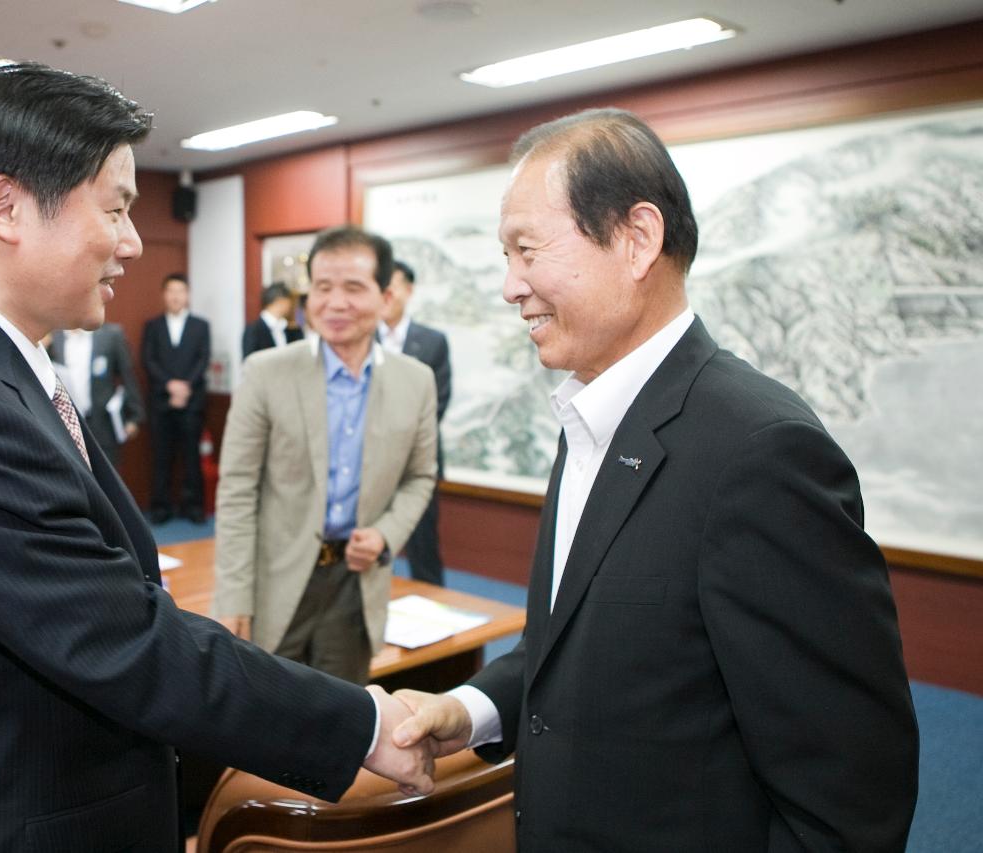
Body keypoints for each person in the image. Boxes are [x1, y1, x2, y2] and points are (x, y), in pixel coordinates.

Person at [0, 63, 432, 853]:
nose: (134, 243)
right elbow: (128, 642)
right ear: (5, 207)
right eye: (115, 209)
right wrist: (364, 724)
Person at [390, 109, 919, 851]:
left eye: (527, 249)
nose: (510, 286)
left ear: (638, 239)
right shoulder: (591, 416)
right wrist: (471, 709)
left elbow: (851, 793)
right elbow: (581, 648)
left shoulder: (762, 454)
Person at [214, 226, 438, 684]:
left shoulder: (416, 381)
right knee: (264, 722)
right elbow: (237, 489)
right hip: (276, 578)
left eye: (353, 288)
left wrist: (386, 534)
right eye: (322, 287)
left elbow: (421, 476)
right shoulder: (265, 373)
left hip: (355, 584)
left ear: (387, 295)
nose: (335, 303)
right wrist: (232, 596)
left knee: (339, 723)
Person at [379, 260, 451, 585]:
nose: (387, 293)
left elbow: (438, 401)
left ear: (409, 291)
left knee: (424, 547)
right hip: (370, 462)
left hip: (417, 460)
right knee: (372, 547)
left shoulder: (432, 341)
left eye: (393, 286)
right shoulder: (361, 340)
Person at [141, 273, 210, 523]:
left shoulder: (201, 326)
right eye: (171, 291)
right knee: (162, 457)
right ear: (164, 295)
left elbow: (203, 359)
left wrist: (185, 387)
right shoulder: (153, 326)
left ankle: (194, 507)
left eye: (181, 291)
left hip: (192, 402)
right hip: (161, 401)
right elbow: (148, 360)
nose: (176, 296)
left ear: (188, 295)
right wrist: (170, 385)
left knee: (192, 457)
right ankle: (161, 507)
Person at [47, 323, 145, 466]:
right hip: (66, 423)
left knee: (107, 475)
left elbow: (128, 375)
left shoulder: (110, 335)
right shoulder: (54, 338)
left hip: (102, 422)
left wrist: (135, 416)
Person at [240, 282, 303, 359]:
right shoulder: (253, 330)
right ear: (280, 301)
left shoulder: (290, 329)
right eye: (289, 301)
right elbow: (249, 363)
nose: (291, 306)